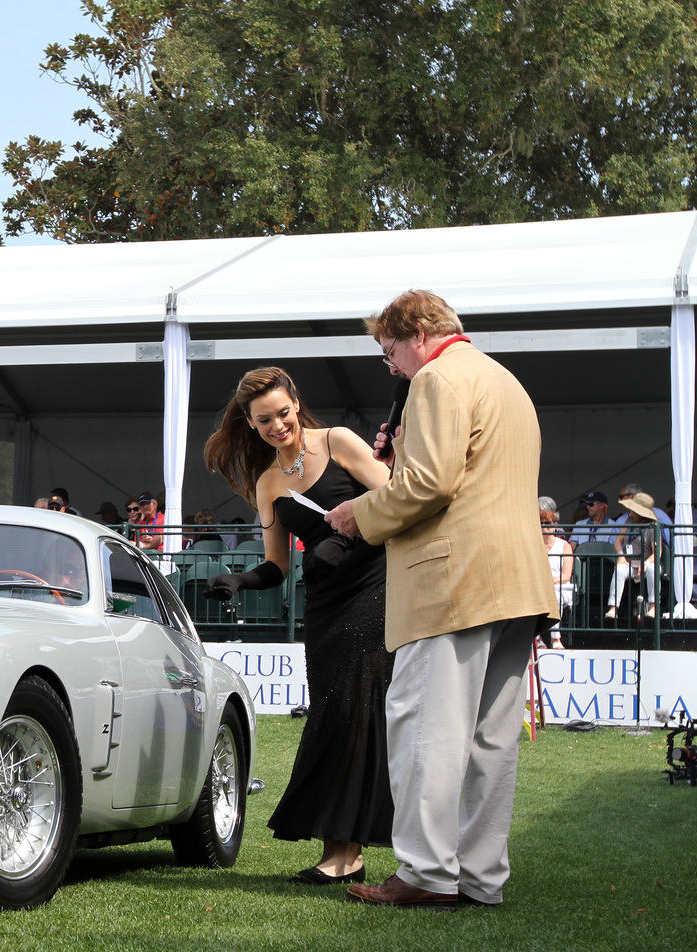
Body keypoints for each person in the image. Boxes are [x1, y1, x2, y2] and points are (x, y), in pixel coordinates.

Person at [325, 290, 557, 910]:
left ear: (419, 333)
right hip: (516, 582)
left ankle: (427, 873)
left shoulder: (435, 381)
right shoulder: (503, 380)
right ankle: (481, 877)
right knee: (490, 740)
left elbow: (431, 484)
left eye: (390, 349)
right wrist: (399, 453)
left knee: (426, 728)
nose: (392, 365)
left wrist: (360, 512)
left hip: (452, 582)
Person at [203, 365, 394, 884]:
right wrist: (240, 580)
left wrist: (350, 538)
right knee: (332, 714)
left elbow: (396, 499)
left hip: (375, 593)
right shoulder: (267, 483)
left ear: (296, 405)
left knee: (355, 713)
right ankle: (341, 847)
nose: (278, 426)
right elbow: (278, 567)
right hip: (324, 606)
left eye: (284, 414)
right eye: (264, 420)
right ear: (249, 422)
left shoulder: (339, 441)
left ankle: (347, 852)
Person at [607, 492, 659, 620]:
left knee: (653, 569)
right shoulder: (629, 521)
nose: (630, 511)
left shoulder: (652, 527)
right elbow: (618, 542)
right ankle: (613, 608)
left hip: (648, 562)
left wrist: (646, 563)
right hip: (630, 562)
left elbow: (657, 552)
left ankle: (653, 607)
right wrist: (621, 556)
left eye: (633, 509)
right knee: (619, 570)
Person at [540, 497, 574, 648]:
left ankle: (555, 639)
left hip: (561, 586)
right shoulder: (534, 546)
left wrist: (549, 581)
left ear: (555, 524)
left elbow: (566, 576)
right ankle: (538, 640)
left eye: (547, 523)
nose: (543, 527)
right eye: (540, 523)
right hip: (540, 588)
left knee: (553, 593)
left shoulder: (564, 546)